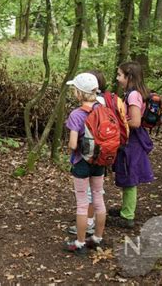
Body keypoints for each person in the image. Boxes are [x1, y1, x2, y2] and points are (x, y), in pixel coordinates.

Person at [64, 73, 107, 256]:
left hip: (82, 163)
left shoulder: (76, 114)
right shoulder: (104, 109)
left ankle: (80, 243)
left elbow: (73, 145)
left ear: (79, 93)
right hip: (100, 161)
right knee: (98, 198)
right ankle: (97, 238)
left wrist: (69, 148)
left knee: (82, 204)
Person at [109, 61, 154, 228]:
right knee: (128, 174)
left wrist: (117, 122)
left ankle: (127, 216)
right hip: (130, 139)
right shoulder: (131, 93)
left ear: (129, 77)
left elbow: (135, 122)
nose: (117, 78)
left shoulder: (133, 95)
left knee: (130, 176)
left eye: (120, 75)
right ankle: (125, 208)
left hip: (132, 141)